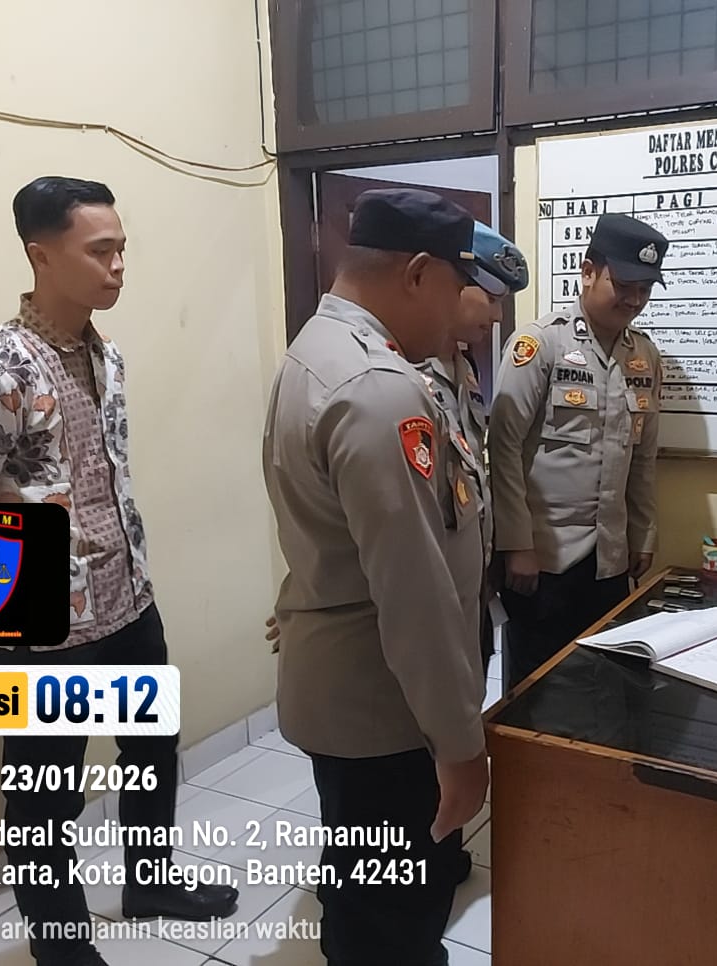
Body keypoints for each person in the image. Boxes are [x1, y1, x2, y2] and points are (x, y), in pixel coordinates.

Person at [0, 176, 238, 966]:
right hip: (46, 632)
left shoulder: (105, 356)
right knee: (45, 795)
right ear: (41, 256)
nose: (118, 266)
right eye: (100, 251)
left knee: (152, 749)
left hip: (128, 602)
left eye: (122, 249)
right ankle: (61, 946)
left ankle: (150, 882)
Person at [262, 188, 504, 966]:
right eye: (457, 286)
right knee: (397, 916)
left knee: (362, 889)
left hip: (349, 695)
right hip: (386, 708)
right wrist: (461, 745)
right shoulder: (377, 386)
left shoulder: (315, 350)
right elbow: (414, 593)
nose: (463, 309)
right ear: (418, 272)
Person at [490, 212, 668, 689]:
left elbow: (643, 458)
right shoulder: (540, 344)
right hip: (545, 558)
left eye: (644, 290)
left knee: (603, 683)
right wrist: (516, 545)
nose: (634, 300)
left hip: (609, 558)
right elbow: (503, 448)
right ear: (588, 272)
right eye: (623, 285)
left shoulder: (644, 356)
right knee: (538, 687)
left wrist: (642, 534)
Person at [419, 222, 530, 676]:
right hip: (426, 596)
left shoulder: (464, 367)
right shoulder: (402, 373)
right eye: (491, 297)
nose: (498, 316)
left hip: (472, 588)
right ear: (454, 285)